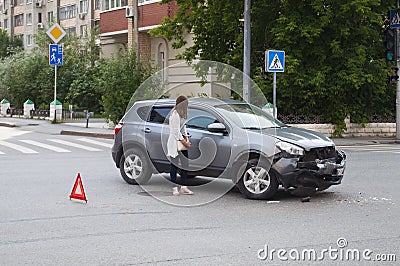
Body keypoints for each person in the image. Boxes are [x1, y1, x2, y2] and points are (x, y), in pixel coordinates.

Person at [167, 95, 194, 196]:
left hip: (182, 141)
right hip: (175, 142)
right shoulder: (175, 114)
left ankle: (184, 187)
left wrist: (187, 138)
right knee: (174, 165)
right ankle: (174, 188)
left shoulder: (183, 114)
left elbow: (183, 128)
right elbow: (176, 131)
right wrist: (184, 142)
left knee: (185, 165)